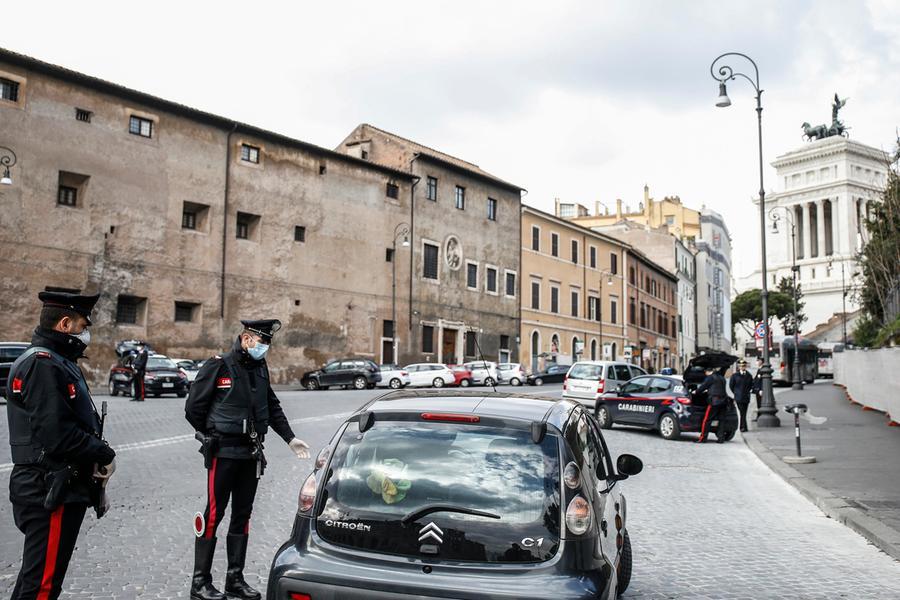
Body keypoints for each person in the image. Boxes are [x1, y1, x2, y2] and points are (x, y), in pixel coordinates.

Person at [184, 319, 310, 600]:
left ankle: (234, 579)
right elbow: (193, 408)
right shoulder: (219, 365)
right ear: (246, 339)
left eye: (267, 343)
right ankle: (200, 583)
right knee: (214, 514)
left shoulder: (259, 368)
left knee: (243, 515)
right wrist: (212, 434)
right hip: (224, 453)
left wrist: (290, 438)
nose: (264, 347)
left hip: (251, 453)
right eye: (261, 342)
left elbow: (272, 406)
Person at [5, 288, 117, 600]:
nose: (86, 333)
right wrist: (104, 452)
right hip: (49, 487)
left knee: (38, 580)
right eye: (83, 326)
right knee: (42, 587)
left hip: (55, 486)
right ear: (65, 325)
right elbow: (57, 435)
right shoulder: (44, 364)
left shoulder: (56, 361)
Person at [695, 366, 729, 443]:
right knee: (722, 420)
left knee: (707, 420)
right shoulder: (721, 378)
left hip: (714, 402)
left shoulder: (710, 378)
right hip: (724, 401)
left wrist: (696, 392)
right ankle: (721, 439)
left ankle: (703, 438)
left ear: (707, 372)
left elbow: (702, 387)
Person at [729, 359, 754, 432]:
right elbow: (731, 386)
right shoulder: (735, 375)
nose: (742, 367)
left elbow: (751, 385)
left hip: (746, 396)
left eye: (743, 366)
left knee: (744, 412)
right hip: (739, 397)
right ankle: (743, 427)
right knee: (742, 412)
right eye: (740, 366)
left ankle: (744, 427)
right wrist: (736, 393)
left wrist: (748, 391)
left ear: (745, 366)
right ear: (738, 367)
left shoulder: (749, 375)